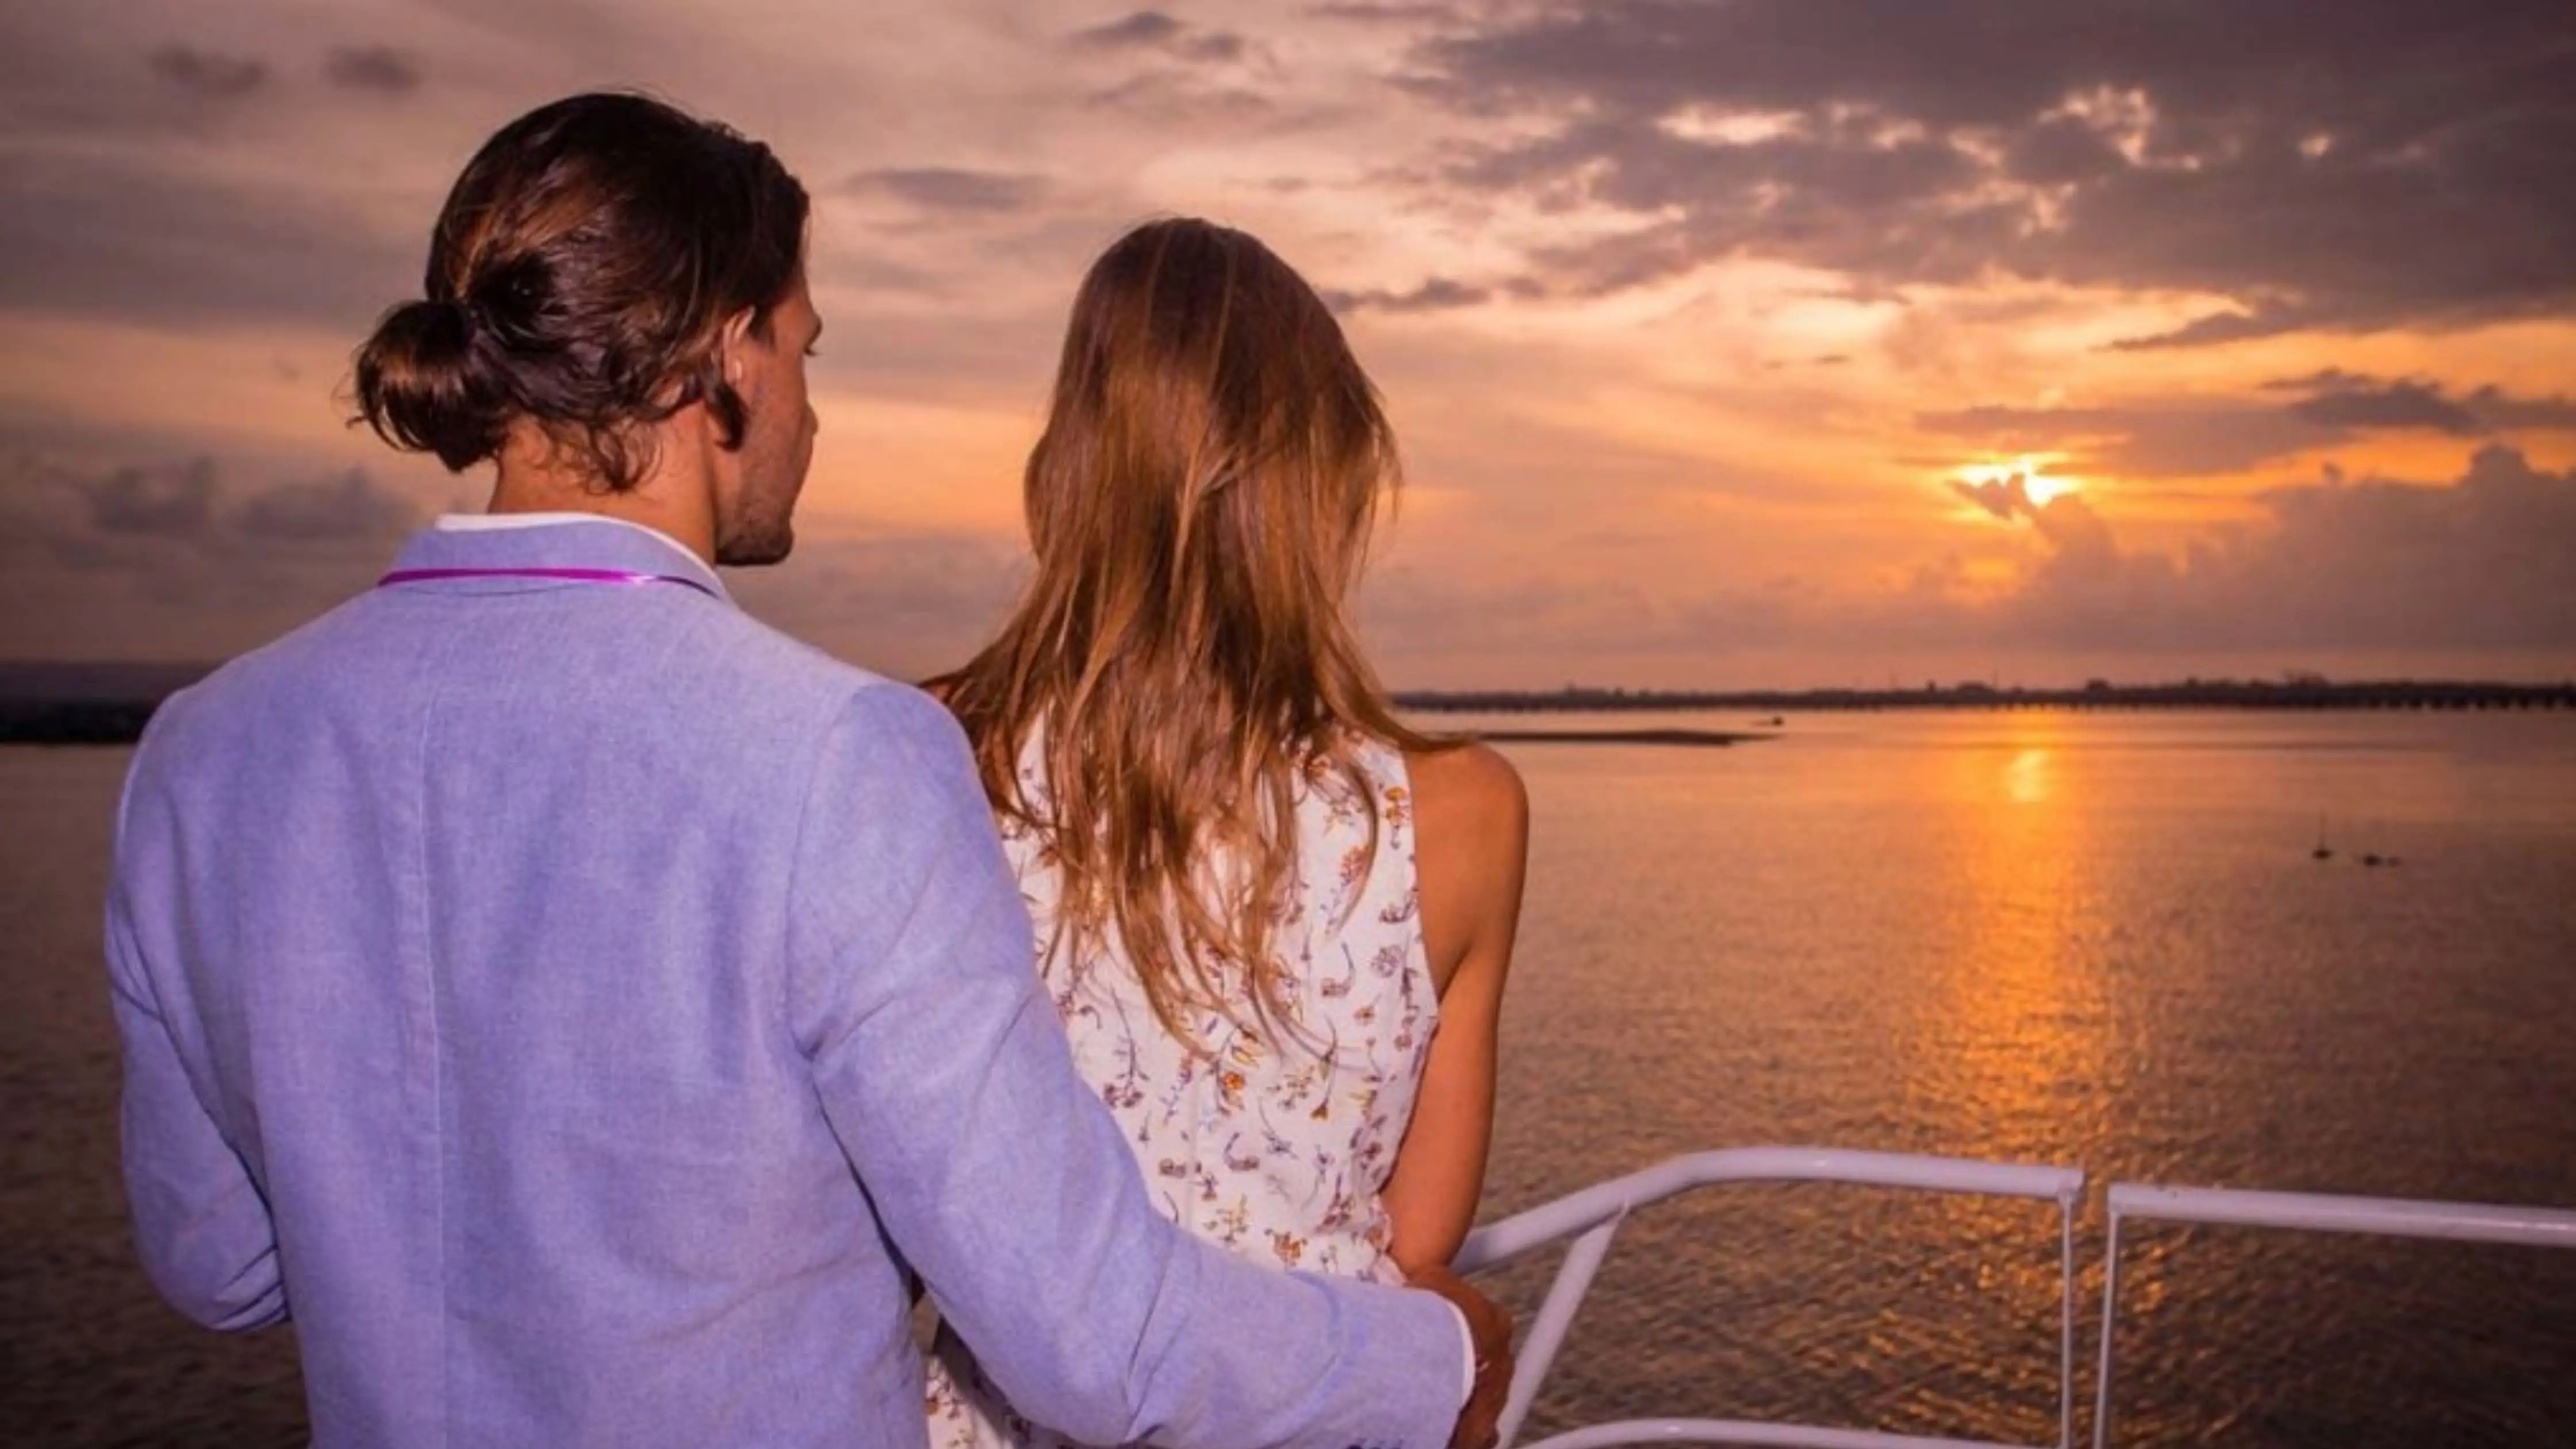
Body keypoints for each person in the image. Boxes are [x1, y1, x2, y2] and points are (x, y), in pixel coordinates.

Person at [105, 93, 1509, 1449]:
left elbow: (221, 1263)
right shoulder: (838, 757)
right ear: (727, 358)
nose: (811, 418)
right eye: (806, 352)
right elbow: (1093, 1344)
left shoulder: (200, 755)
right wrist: (1434, 1358)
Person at [923, 219, 1529, 1449]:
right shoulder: (1463, 814)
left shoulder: (930, 755)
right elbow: (1414, 1244)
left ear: (1068, 466)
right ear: (1325, 488)